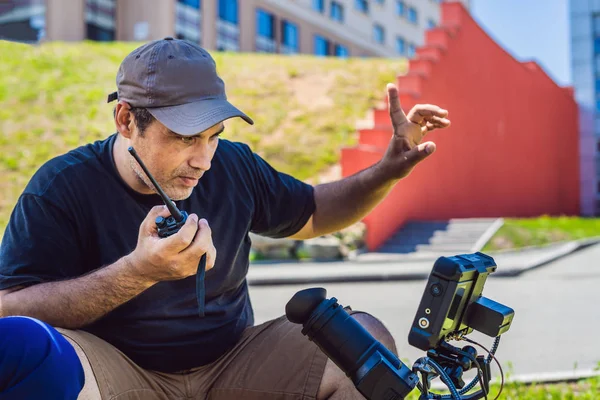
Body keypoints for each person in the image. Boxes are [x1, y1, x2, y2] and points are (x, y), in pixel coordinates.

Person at [0, 37, 450, 399]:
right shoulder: (62, 186)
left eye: (214, 136)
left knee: (361, 340)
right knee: (34, 355)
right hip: (118, 372)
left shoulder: (232, 166)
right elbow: (10, 312)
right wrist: (135, 273)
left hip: (232, 364)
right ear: (125, 119)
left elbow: (315, 212)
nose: (203, 159)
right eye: (183, 137)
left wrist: (386, 171)